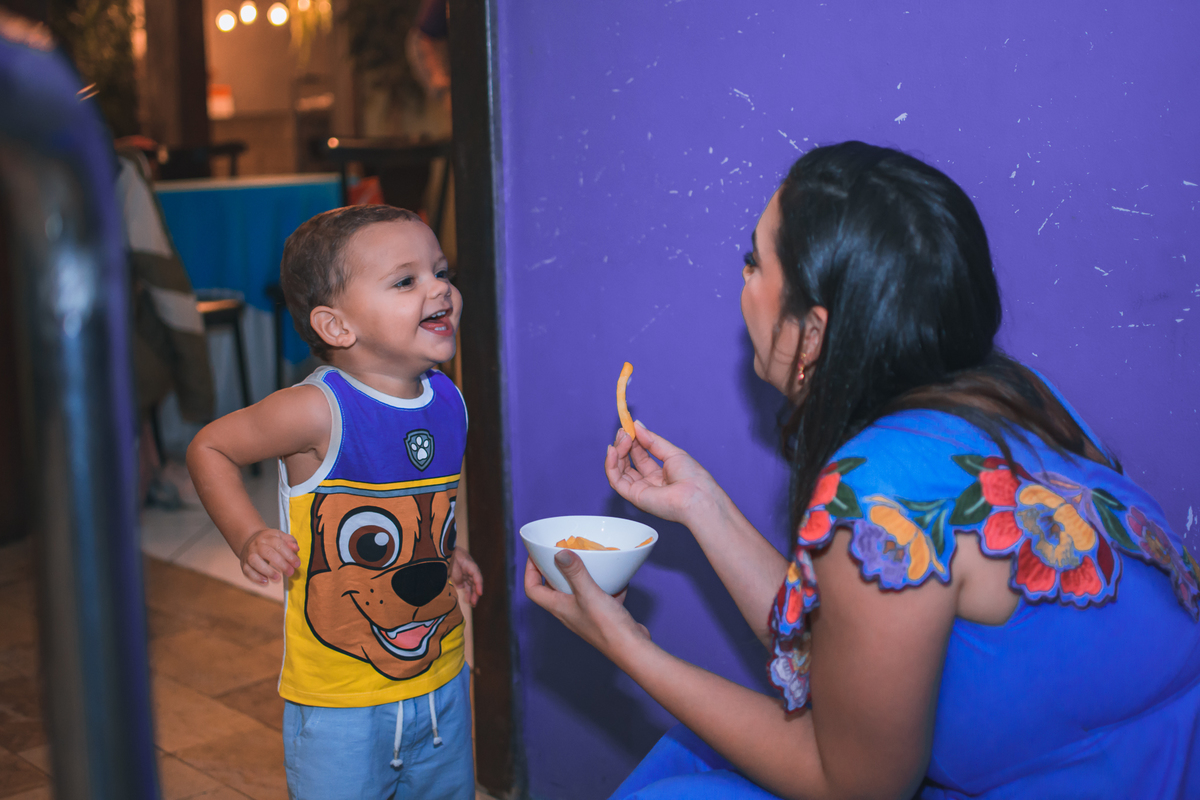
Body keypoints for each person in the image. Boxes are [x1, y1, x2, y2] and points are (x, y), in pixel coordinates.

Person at [525, 142, 1200, 799]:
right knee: (692, 750)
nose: (743, 281)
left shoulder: (879, 485)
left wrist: (630, 649)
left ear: (813, 333)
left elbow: (855, 785)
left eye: (754, 263)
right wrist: (702, 505)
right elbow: (847, 643)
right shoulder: (1012, 396)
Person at [187, 205, 482, 800]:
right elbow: (210, 448)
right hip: (342, 705)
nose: (440, 290)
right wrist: (248, 535)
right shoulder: (317, 410)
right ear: (337, 326)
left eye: (441, 272)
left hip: (441, 680)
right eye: (406, 280)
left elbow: (427, 506)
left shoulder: (449, 400)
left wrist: (451, 553)